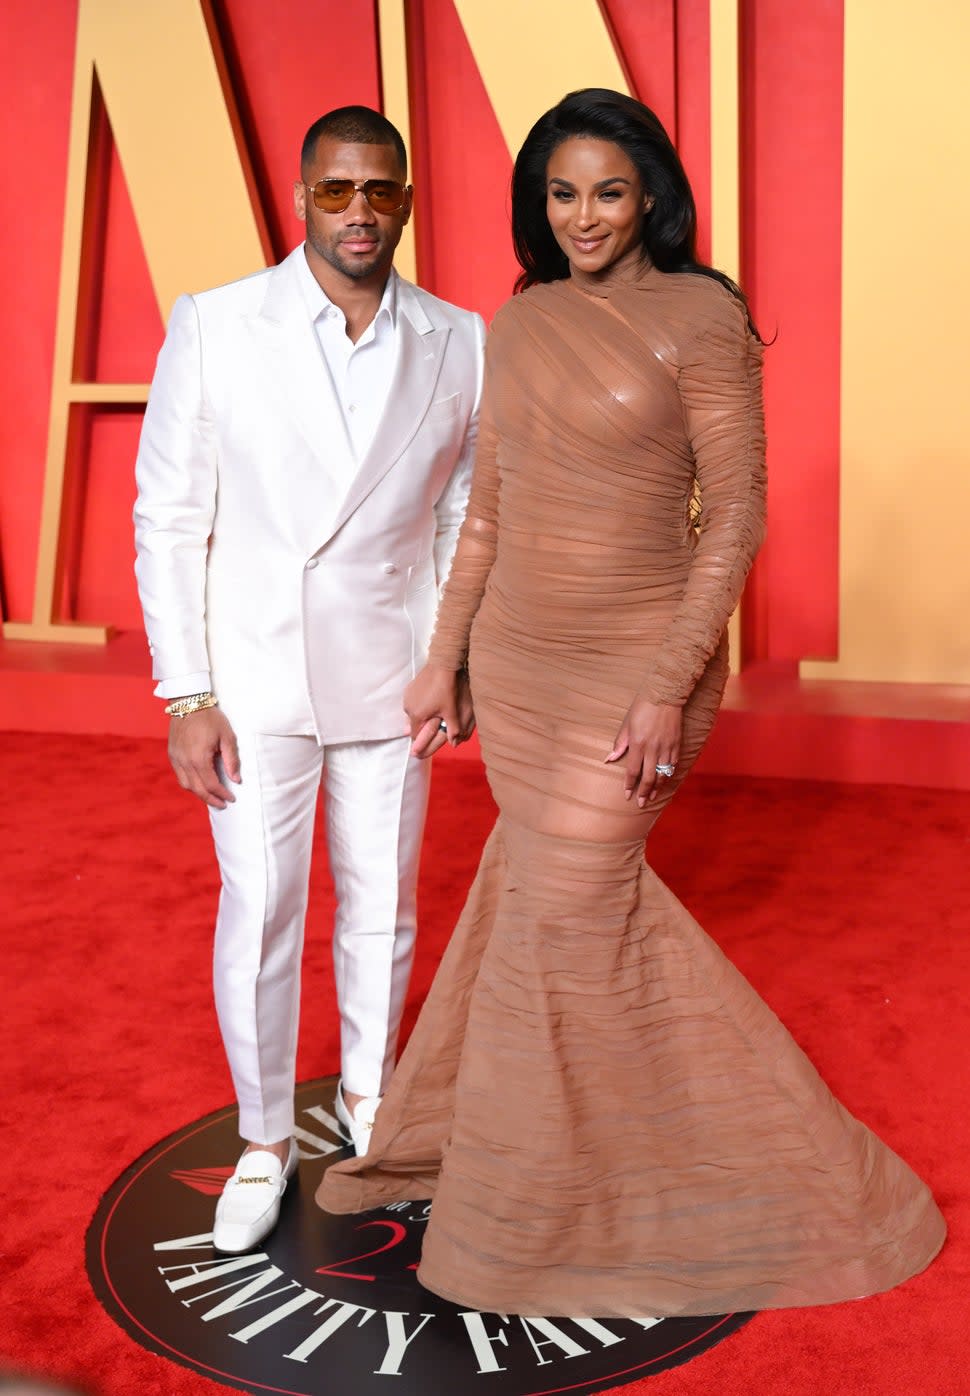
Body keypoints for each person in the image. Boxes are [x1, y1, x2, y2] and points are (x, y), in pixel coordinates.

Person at [318, 89, 945, 1317]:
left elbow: (737, 520)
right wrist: (441, 657)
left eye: (608, 191)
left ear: (651, 194)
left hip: (635, 666)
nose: (584, 216)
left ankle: (634, 1195)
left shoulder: (699, 317)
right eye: (561, 194)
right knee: (540, 910)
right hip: (521, 657)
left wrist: (668, 685)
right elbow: (488, 508)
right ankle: (506, 1147)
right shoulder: (526, 317)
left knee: (570, 911)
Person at [133, 105, 483, 1255]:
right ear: (301, 199)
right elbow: (170, 518)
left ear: (407, 202)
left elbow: (458, 518)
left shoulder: (459, 338)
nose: (359, 213)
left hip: (390, 678)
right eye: (336, 192)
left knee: (382, 914)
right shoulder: (216, 324)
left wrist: (447, 658)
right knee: (264, 910)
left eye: (378, 191)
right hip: (253, 680)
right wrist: (186, 691)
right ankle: (267, 1139)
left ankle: (373, 1117)